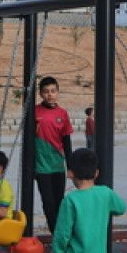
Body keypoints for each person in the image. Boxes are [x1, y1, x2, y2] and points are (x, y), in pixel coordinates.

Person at [35, 76, 74, 234]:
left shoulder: (63, 114)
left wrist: (70, 167)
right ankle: (55, 234)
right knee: (48, 203)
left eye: (53, 91)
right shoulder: (34, 112)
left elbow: (67, 142)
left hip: (58, 166)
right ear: (40, 94)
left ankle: (60, 234)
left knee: (59, 202)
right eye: (46, 91)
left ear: (57, 92)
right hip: (41, 167)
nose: (50, 94)